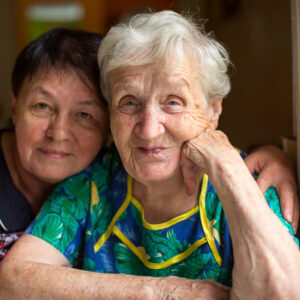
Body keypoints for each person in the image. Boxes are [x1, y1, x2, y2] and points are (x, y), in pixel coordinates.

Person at [1, 11, 299, 299]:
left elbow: (286, 292)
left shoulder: (251, 186)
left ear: (213, 110)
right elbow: (12, 282)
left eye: (173, 102)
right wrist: (164, 293)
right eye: (129, 102)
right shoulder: (91, 184)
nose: (149, 129)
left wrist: (227, 166)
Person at [0, 27, 109, 260]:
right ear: (15, 106)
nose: (58, 133)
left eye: (84, 115)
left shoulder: (116, 182)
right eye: (42, 106)